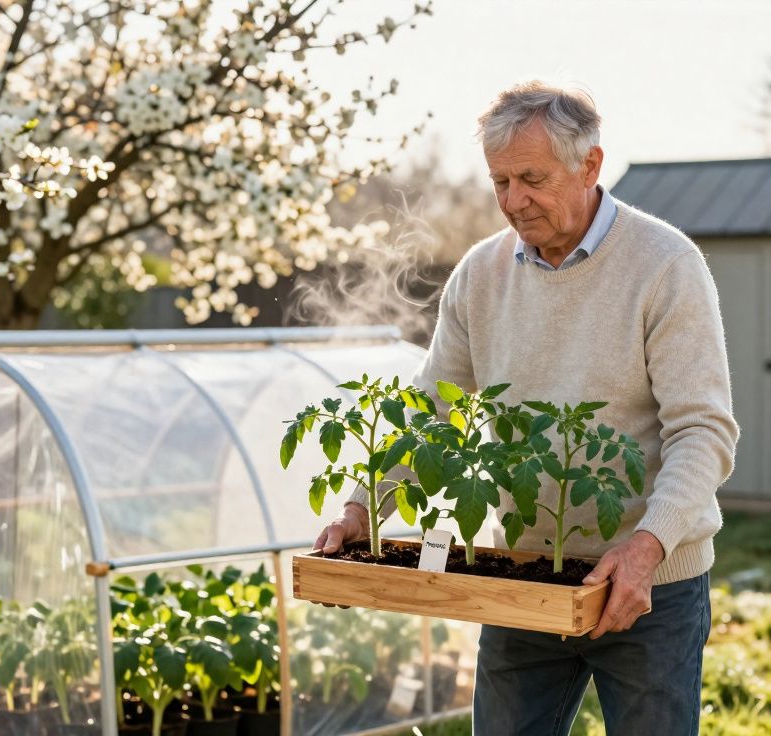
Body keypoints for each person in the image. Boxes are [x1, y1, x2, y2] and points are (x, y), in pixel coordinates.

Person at [312, 81, 740, 736]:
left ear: (590, 165)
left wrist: (645, 550)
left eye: (531, 179)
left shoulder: (665, 265)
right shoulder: (481, 274)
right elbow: (433, 410)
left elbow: (703, 430)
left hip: (648, 586)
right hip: (522, 576)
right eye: (500, 181)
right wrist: (360, 509)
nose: (514, 201)